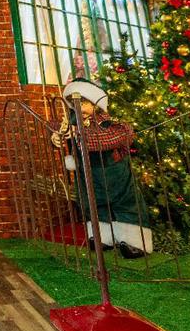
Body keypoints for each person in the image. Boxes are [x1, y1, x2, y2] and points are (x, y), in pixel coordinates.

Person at [51, 76, 152, 258]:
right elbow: (57, 127)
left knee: (126, 204)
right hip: (89, 175)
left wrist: (80, 135)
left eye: (84, 101)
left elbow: (111, 138)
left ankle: (134, 241)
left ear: (95, 103)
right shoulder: (73, 123)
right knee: (93, 204)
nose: (80, 107)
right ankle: (102, 236)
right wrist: (57, 136)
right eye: (77, 102)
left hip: (114, 173)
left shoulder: (108, 123)